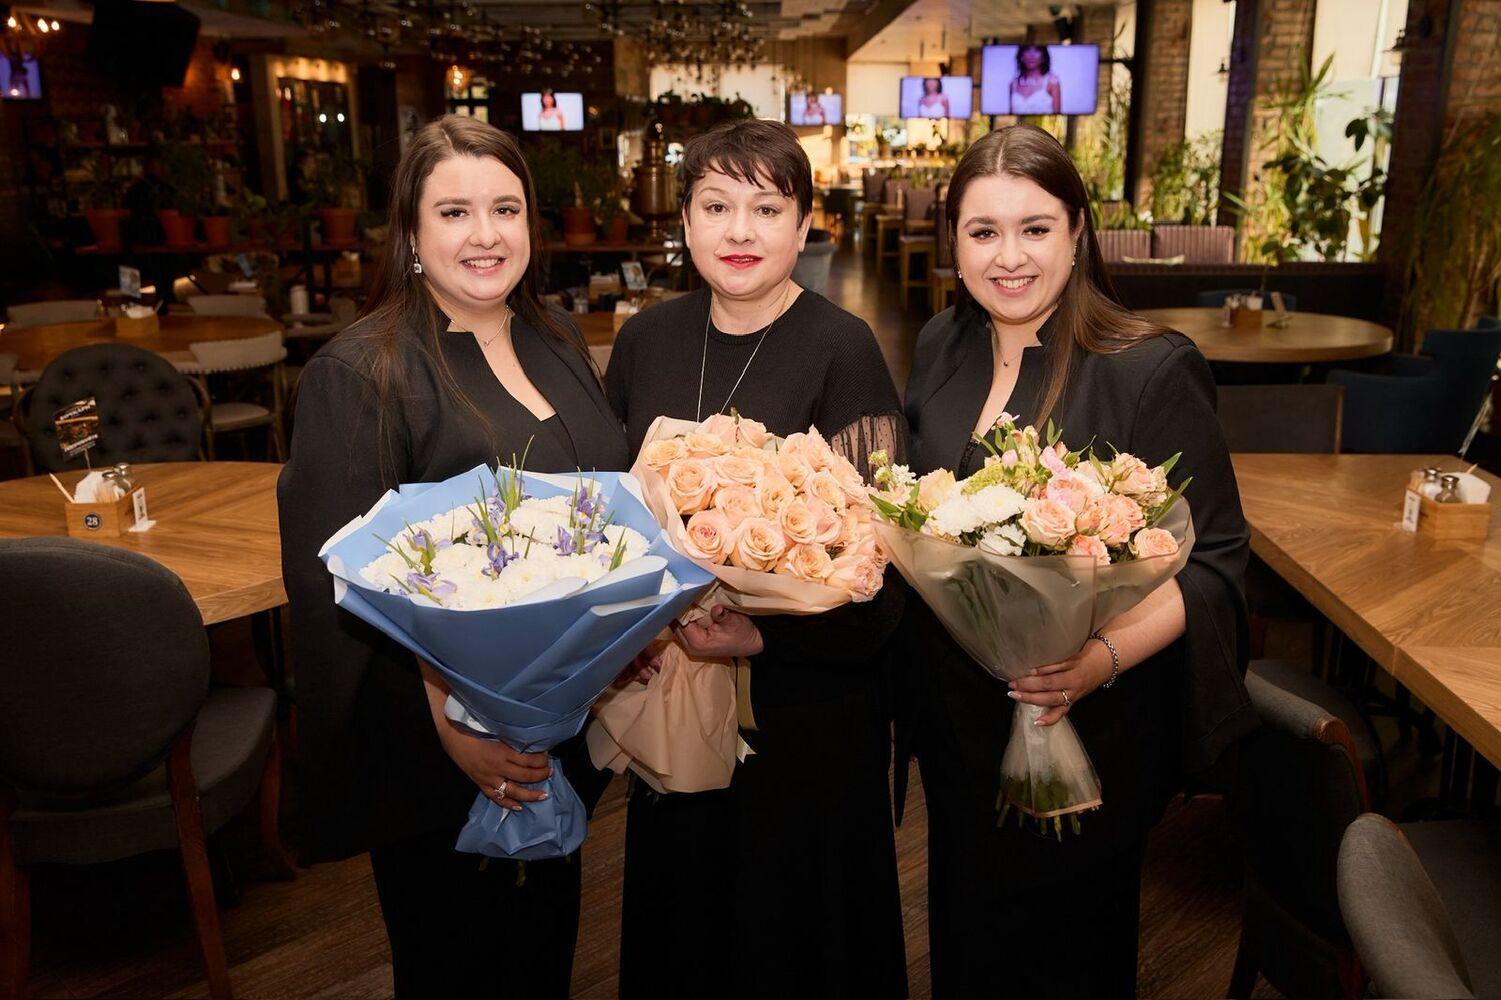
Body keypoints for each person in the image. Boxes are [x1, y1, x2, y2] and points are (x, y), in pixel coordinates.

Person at [899, 124, 1256, 998]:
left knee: (1067, 954)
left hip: (1092, 722)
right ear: (953, 242)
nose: (1008, 257)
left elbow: (1214, 563)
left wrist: (1096, 661)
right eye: (983, 231)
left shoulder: (1146, 368)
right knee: (967, 938)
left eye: (1035, 228)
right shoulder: (942, 345)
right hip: (957, 719)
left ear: (1077, 232)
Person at [278, 114, 624, 998]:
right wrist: (447, 720)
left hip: (556, 726)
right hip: (438, 755)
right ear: (409, 232)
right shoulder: (364, 371)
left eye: (505, 209)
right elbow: (338, 582)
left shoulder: (555, 338)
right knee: (455, 963)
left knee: (543, 952)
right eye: (454, 212)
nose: (485, 235)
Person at [605, 117, 909, 999]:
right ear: (685, 222)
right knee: (686, 921)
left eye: (767, 208)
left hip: (805, 708)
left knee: (795, 934)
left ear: (805, 224)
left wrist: (764, 638)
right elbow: (610, 510)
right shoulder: (645, 340)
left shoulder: (843, 347)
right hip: (675, 692)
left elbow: (880, 561)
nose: (739, 230)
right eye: (715, 206)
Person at [1009, 44, 1062, 115]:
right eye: (1027, 50)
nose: (1032, 55)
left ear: (1043, 56)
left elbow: (1057, 115)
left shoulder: (1052, 82)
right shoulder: (1013, 84)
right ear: (1021, 56)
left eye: (1037, 50)